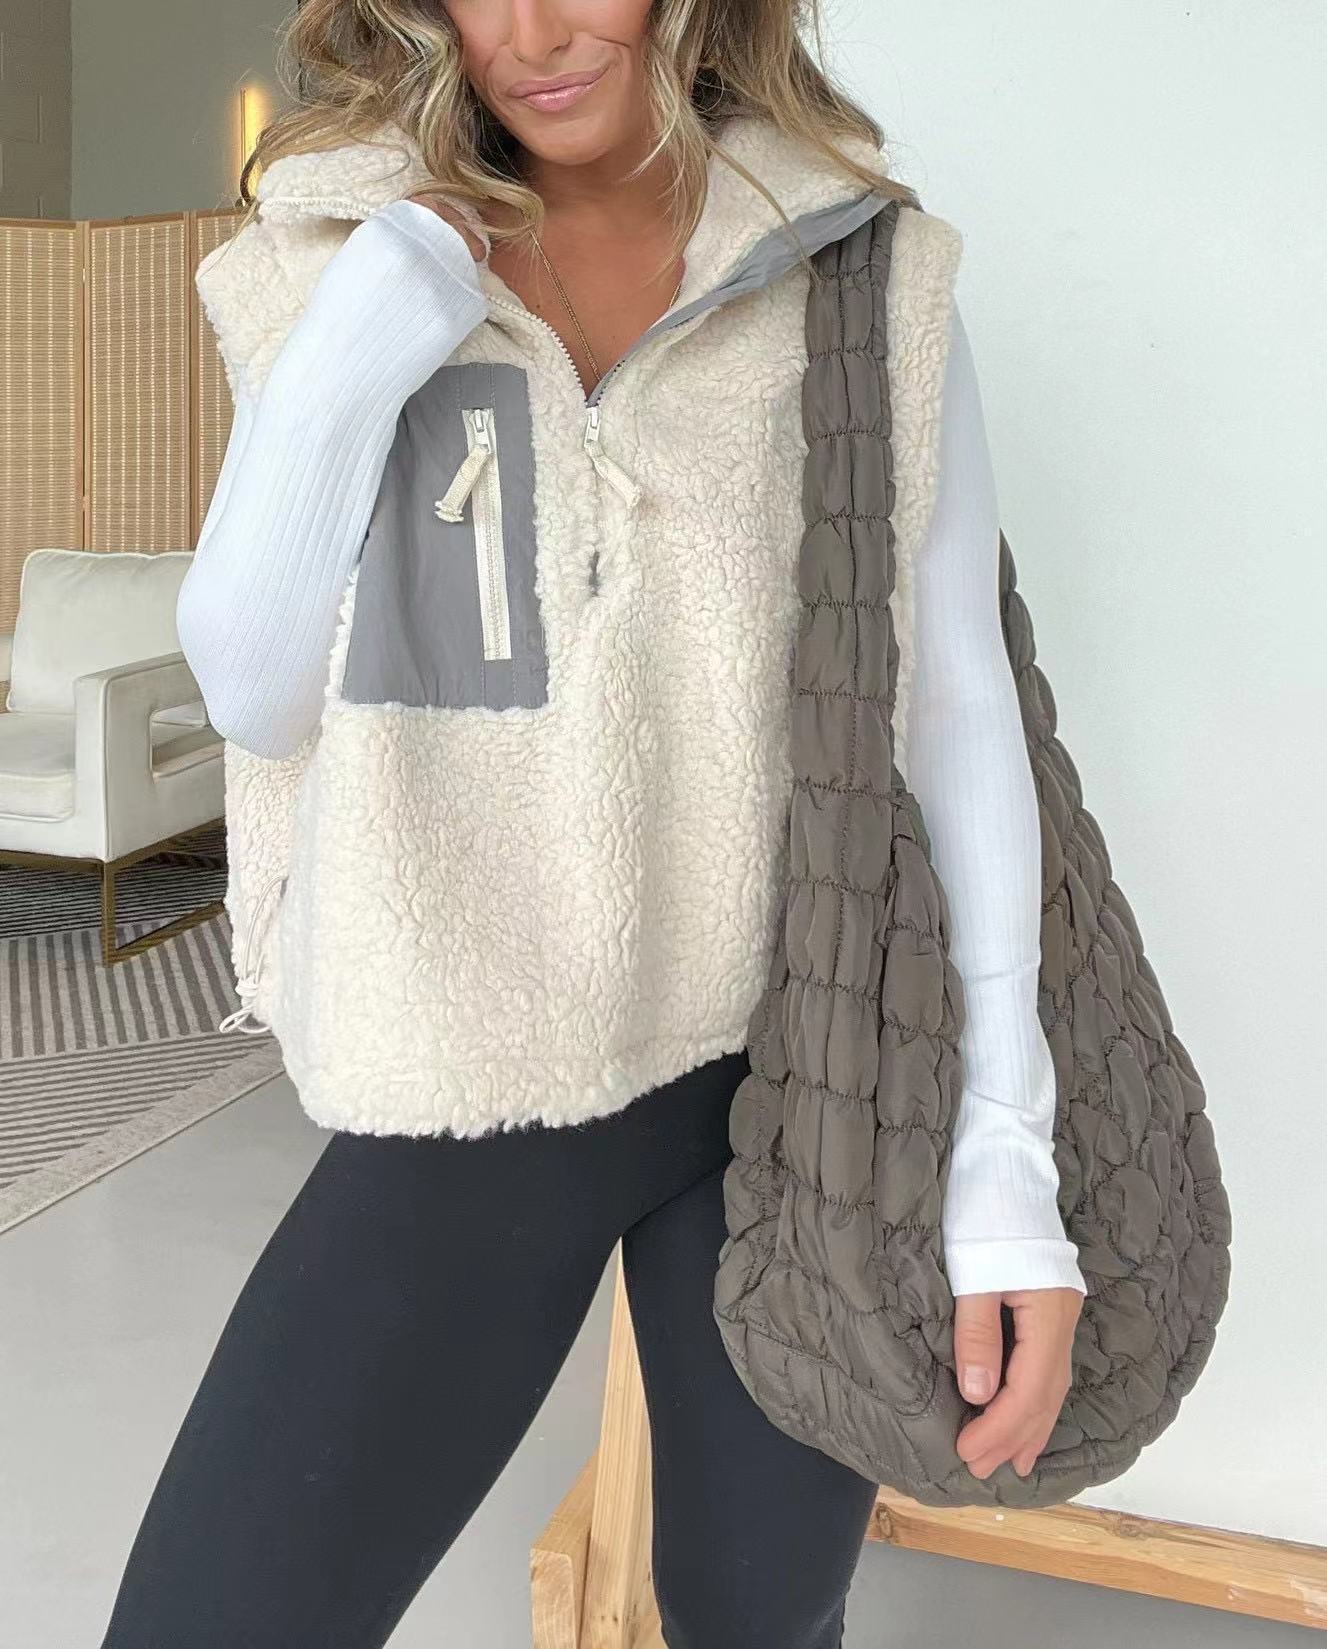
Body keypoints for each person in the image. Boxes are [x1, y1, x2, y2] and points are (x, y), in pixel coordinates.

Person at [99, 3, 1085, 1645]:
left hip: (799, 1069)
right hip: (477, 1068)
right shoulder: (336, 252)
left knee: (758, 1615)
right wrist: (361, 345)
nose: (534, 32)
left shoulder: (858, 269)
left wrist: (1004, 1151)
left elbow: (956, 704)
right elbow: (252, 691)